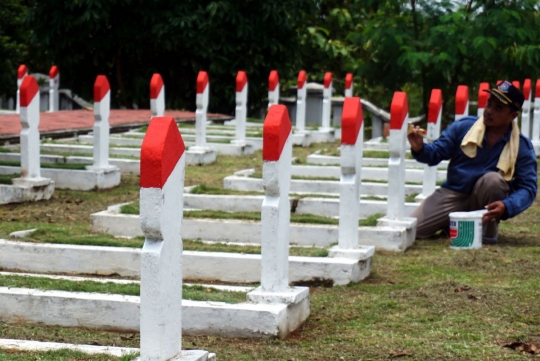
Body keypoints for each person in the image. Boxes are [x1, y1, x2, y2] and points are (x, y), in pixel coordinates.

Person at [408, 80, 537, 244]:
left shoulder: (521, 146)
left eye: (498, 109)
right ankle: (453, 223)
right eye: (489, 104)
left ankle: (486, 234)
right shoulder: (463, 127)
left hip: (486, 199)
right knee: (414, 230)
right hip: (454, 193)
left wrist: (507, 206)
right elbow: (435, 153)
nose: (489, 111)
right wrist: (420, 148)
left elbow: (528, 187)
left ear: (512, 116)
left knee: (493, 180)